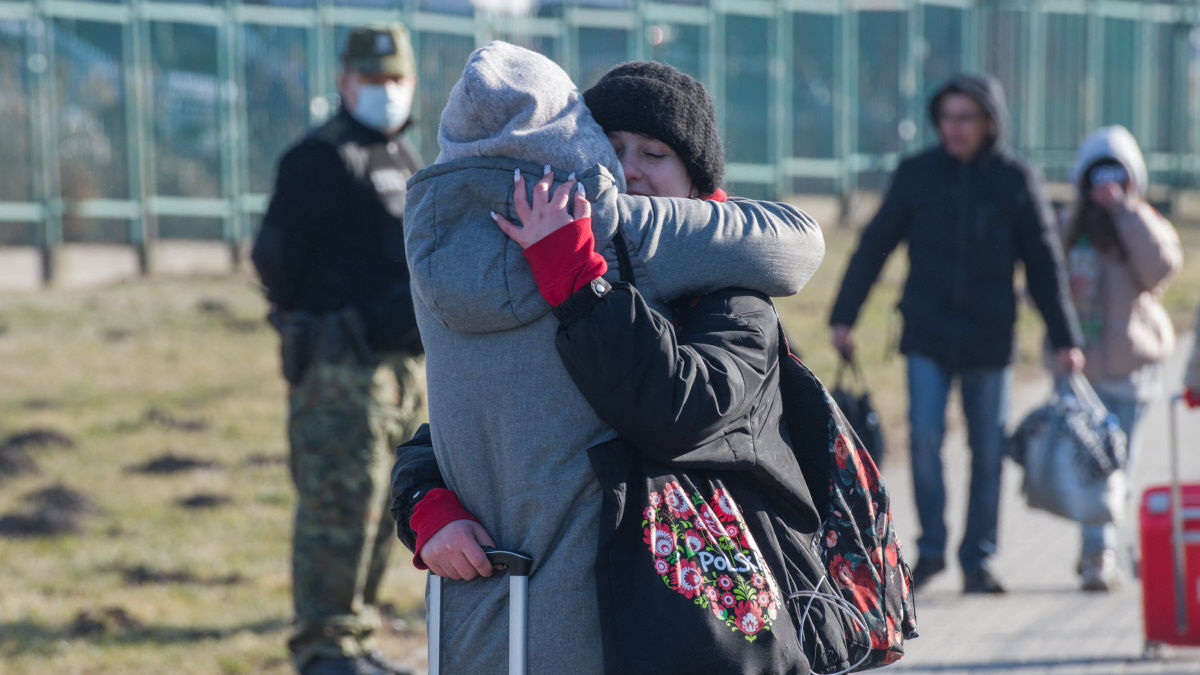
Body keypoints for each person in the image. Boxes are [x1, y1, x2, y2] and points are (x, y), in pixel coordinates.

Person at [396, 44, 825, 674]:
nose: (628, 172)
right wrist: (422, 505)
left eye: (654, 155)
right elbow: (469, 428)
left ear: (699, 184)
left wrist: (580, 284)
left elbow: (681, 413)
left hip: (696, 626)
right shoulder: (566, 242)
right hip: (570, 623)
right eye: (611, 148)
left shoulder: (729, 298)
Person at [828, 73, 1084, 595]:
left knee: (988, 450)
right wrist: (844, 314)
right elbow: (876, 244)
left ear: (989, 121)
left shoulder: (1016, 180)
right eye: (946, 117)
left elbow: (1044, 265)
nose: (954, 128)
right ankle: (932, 551)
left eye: (965, 117)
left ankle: (979, 559)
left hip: (990, 338)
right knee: (923, 439)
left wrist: (1066, 338)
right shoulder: (917, 174)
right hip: (927, 333)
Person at [250, 23, 423, 675]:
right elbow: (275, 256)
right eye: (374, 80)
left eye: (397, 80)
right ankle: (324, 644)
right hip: (342, 366)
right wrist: (319, 319)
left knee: (381, 508)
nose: (387, 92)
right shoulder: (319, 159)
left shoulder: (403, 156)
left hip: (400, 365)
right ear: (344, 82)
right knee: (339, 503)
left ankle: (355, 632)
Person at [1061, 125, 1182, 591]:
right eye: (1098, 176)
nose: (1106, 185)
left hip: (1132, 370)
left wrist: (1126, 210)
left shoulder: (1144, 220)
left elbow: (1161, 268)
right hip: (1081, 371)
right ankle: (1099, 550)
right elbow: (1040, 283)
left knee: (1117, 471)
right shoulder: (1070, 226)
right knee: (1092, 470)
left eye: (1118, 175)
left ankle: (1101, 550)